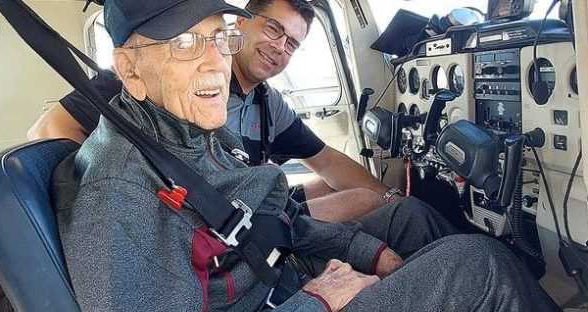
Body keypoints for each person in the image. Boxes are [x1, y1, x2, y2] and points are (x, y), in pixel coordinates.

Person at [52, 1, 583, 312]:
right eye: (185, 44)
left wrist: (363, 252)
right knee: (478, 267)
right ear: (129, 70)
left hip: (270, 290)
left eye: (218, 37)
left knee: (414, 221)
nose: (214, 61)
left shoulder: (189, 134)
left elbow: (265, 224)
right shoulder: (118, 203)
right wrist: (317, 303)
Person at [33, 0, 395, 223]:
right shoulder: (151, 80)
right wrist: (125, 203)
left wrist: (391, 196)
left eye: (292, 44)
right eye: (273, 28)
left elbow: (327, 159)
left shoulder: (268, 103)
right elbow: (49, 128)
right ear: (242, 22)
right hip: (215, 221)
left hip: (251, 207)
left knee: (348, 190)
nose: (280, 47)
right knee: (365, 202)